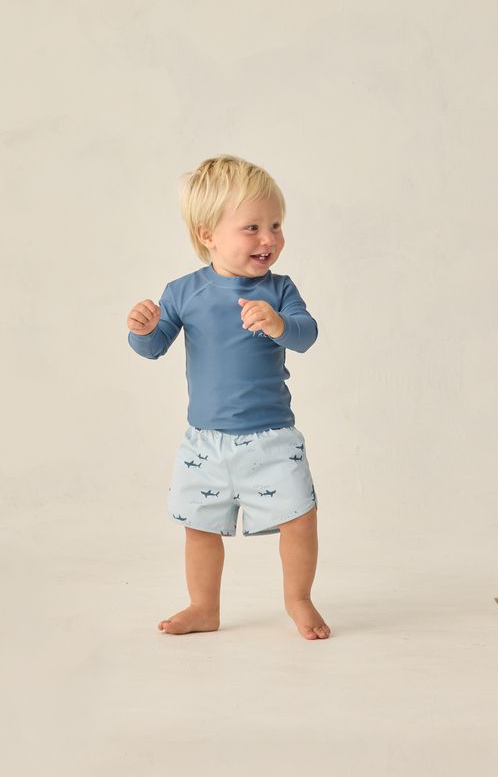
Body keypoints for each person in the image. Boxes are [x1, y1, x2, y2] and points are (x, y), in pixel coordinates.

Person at [126, 154, 330, 640]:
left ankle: (298, 598)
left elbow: (307, 335)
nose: (269, 239)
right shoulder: (183, 291)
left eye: (276, 225)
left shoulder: (279, 290)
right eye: (253, 227)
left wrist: (280, 324)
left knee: (299, 521)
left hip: (272, 438)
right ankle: (204, 606)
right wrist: (142, 329)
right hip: (205, 444)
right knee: (199, 529)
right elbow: (154, 348)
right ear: (207, 234)